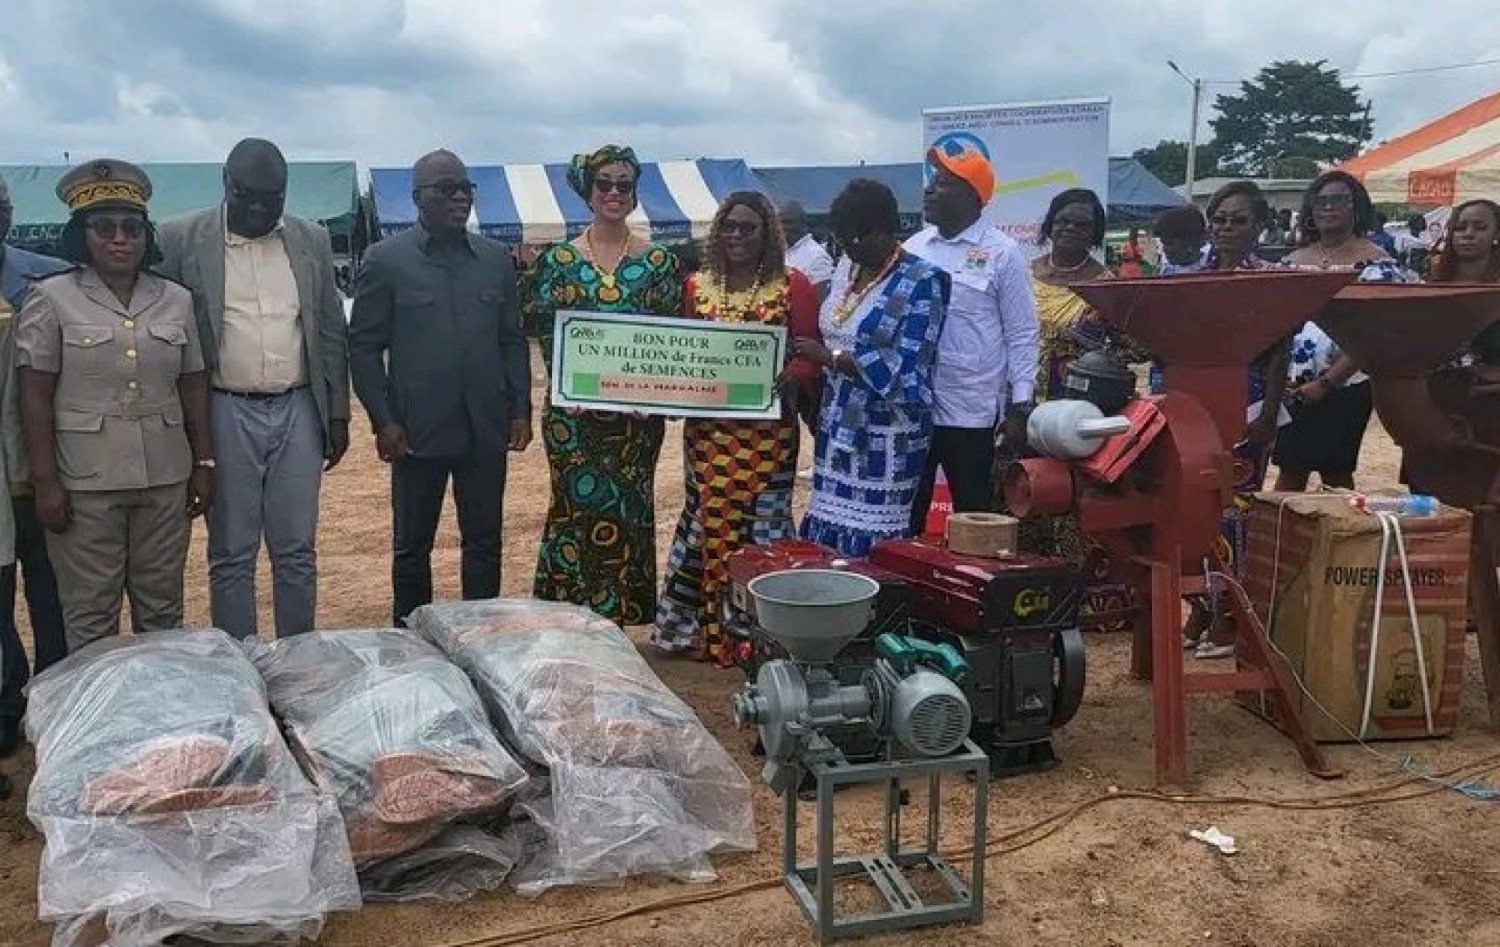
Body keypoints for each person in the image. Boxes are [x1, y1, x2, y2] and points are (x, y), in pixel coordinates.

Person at [16, 159, 214, 651]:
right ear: (81, 235)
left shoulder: (176, 300)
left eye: (132, 228)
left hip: (165, 477)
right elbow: (34, 395)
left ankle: (159, 724)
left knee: (162, 612)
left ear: (147, 236)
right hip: (85, 484)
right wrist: (44, 481)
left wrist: (204, 463)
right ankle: (97, 724)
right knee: (89, 618)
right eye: (104, 227)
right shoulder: (51, 298)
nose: (120, 239)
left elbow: (192, 385)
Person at [157, 138, 350, 641]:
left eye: (274, 198)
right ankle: (241, 666)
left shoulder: (311, 238)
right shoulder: (179, 239)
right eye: (250, 197)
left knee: (296, 550)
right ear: (226, 183)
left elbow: (329, 326)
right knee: (231, 552)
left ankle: (298, 660)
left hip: (298, 407)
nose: (262, 208)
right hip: (224, 408)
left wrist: (338, 413)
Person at [349, 150, 531, 626]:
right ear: (417, 198)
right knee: (412, 548)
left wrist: (521, 410)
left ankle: (481, 636)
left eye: (465, 189)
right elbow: (364, 347)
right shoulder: (385, 261)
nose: (459, 198)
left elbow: (512, 340)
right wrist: (382, 421)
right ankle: (413, 642)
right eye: (445, 189)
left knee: (485, 543)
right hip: (415, 434)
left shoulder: (494, 261)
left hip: (484, 428)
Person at [652, 193, 822, 662]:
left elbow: (810, 355)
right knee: (707, 525)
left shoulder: (794, 285)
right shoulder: (697, 286)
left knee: (761, 528)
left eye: (748, 228)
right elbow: (684, 355)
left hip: (768, 438)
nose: (737, 236)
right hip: (708, 437)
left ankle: (759, 637)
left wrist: (797, 375)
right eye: (729, 227)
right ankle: (703, 632)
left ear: (768, 232)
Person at [529, 145, 680, 625]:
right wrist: (567, 389)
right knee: (575, 508)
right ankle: (572, 619)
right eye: (605, 184)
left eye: (624, 185)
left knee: (628, 508)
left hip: (635, 421)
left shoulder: (659, 262)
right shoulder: (558, 260)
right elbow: (549, 333)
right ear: (588, 192)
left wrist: (652, 393)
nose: (614, 192)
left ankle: (619, 621)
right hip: (573, 421)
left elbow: (670, 336)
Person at [1159, 181, 1293, 659]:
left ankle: (1230, 617)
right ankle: (1201, 606)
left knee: (1234, 510)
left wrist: (1270, 416)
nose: (1227, 228)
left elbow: (1280, 355)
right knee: (1194, 508)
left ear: (1259, 225)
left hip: (1250, 409)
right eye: (1220, 219)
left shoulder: (1274, 278)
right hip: (1194, 408)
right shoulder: (1193, 273)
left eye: (1238, 220)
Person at [795, 179, 948, 556]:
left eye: (861, 238)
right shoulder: (848, 267)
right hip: (836, 425)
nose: (852, 247)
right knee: (828, 520)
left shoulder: (923, 281)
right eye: (845, 239)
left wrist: (830, 358)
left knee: (874, 532)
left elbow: (908, 366)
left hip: (887, 432)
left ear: (888, 228)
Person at [903, 146, 1039, 536]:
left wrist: (1019, 404)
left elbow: (1022, 332)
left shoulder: (1003, 253)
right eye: (931, 183)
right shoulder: (914, 249)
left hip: (972, 411)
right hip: (918, 406)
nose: (929, 191)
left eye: (942, 184)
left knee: (974, 516)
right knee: (909, 513)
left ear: (971, 194)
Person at [1277, 170, 1413, 492]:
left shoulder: (1378, 263)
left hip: (1346, 386)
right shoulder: (1289, 263)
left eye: (1338, 200)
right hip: (1289, 386)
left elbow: (1378, 333)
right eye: (1320, 202)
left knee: (1335, 475)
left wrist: (1327, 383)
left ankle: (1341, 539)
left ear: (1356, 207)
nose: (1327, 208)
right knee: (1289, 472)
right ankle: (1277, 539)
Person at [0, 173, 68, 759]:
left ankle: (54, 698)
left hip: (40, 465)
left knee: (53, 594)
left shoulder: (46, 276)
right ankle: (6, 705)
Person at [1029, 189, 1113, 402]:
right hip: (1018, 390)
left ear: (1095, 232)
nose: (1070, 228)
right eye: (1063, 221)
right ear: (1050, 225)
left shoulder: (1106, 284)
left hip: (1073, 397)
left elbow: (1124, 347)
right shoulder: (1024, 273)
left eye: (1082, 225)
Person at [779, 200, 834, 298]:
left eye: (788, 222)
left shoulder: (817, 257)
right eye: (779, 222)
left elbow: (821, 304)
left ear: (803, 223)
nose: (782, 227)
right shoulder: (780, 252)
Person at [1152, 206, 1207, 272]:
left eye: (1169, 243)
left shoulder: (1212, 266)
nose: (1164, 249)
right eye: (1163, 243)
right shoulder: (1164, 271)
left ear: (1190, 241)